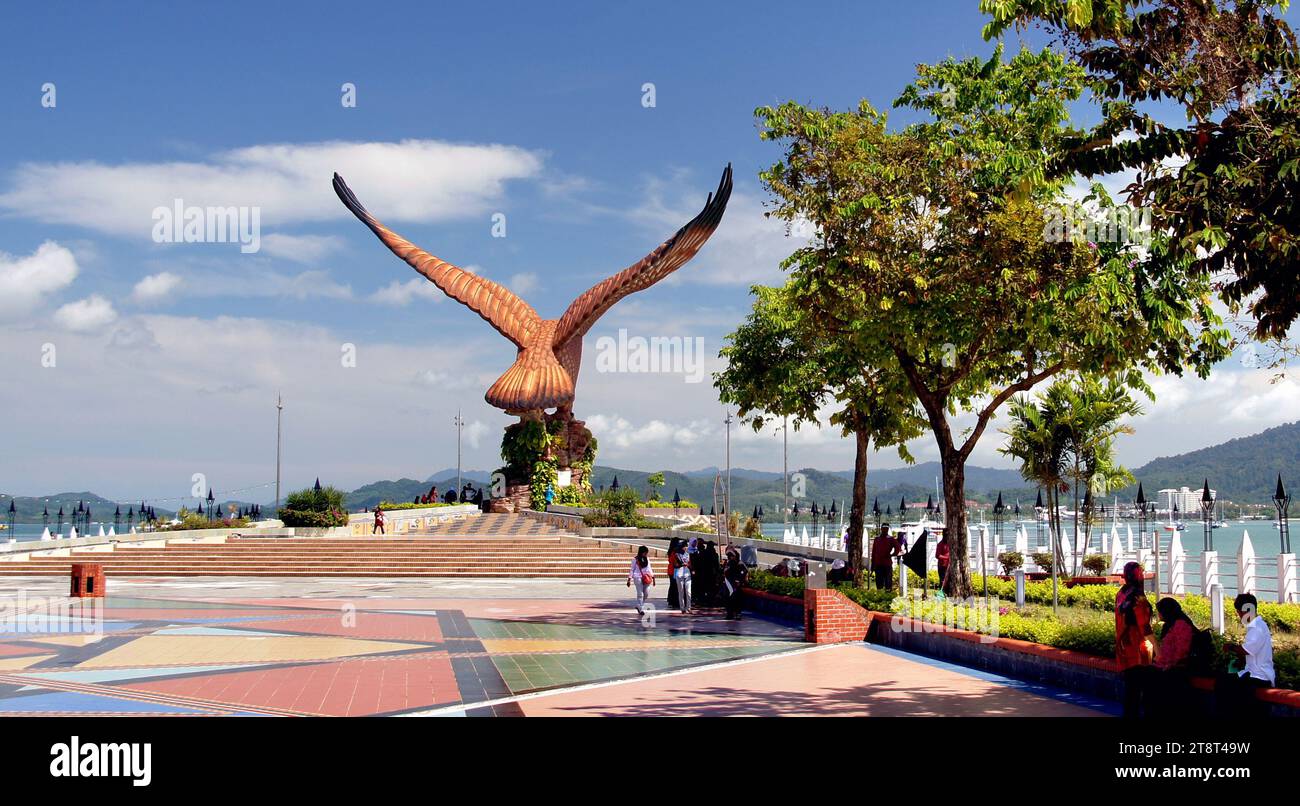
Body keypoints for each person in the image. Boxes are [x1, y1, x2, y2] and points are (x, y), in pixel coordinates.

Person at [1215, 592, 1275, 718]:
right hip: (1252, 673)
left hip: (1259, 677)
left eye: (1239, 612)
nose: (1239, 616)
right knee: (1223, 681)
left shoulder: (1257, 628)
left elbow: (1246, 650)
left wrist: (1230, 646)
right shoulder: (1256, 626)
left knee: (1228, 688)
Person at [1115, 561, 1154, 718]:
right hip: (1140, 650)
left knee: (1131, 689)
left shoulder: (1121, 593)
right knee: (1141, 690)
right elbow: (1144, 626)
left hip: (1124, 648)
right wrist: (1158, 649)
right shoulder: (1138, 597)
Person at [627, 545, 655, 616]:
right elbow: (632, 569)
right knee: (640, 594)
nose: (646, 554)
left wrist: (653, 577)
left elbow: (649, 568)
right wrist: (629, 579)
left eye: (646, 553)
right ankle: (641, 608)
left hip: (646, 577)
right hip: (637, 577)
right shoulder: (635, 559)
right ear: (641, 552)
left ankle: (639, 605)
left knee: (646, 593)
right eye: (645, 552)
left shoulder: (647, 559)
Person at [722, 547, 748, 619]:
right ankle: (729, 614)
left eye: (731, 556)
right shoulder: (729, 563)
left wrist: (739, 580)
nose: (730, 557)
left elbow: (744, 572)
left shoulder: (740, 564)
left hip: (736, 585)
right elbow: (725, 572)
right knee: (728, 599)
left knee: (736, 599)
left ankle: (737, 613)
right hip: (728, 584)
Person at [870, 525, 895, 591]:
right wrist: (872, 565)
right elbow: (873, 553)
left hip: (887, 564)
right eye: (884, 528)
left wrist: (892, 554)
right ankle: (880, 596)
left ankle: (887, 597)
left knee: (888, 582)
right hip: (878, 564)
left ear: (888, 529)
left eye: (886, 529)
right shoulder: (877, 539)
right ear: (881, 529)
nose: (885, 530)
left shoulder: (891, 539)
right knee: (879, 582)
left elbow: (898, 548)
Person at [673, 542, 693, 614]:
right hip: (679, 574)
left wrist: (689, 565)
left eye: (686, 547)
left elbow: (690, 564)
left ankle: (689, 607)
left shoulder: (688, 554)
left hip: (687, 574)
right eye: (685, 546)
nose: (686, 548)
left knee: (688, 592)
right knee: (681, 592)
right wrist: (681, 564)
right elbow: (675, 564)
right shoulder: (676, 554)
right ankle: (682, 608)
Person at [665, 538, 682, 610]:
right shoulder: (675, 552)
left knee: (673, 585)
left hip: (671, 570)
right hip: (674, 570)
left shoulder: (671, 551)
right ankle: (673, 601)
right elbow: (676, 562)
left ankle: (671, 600)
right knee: (674, 586)